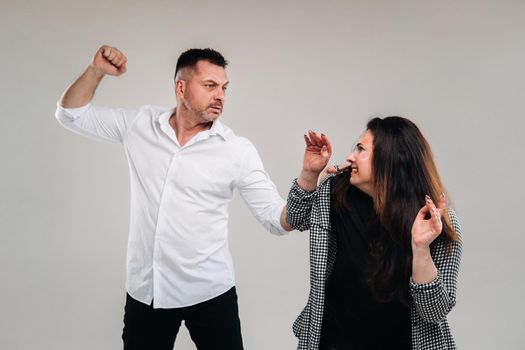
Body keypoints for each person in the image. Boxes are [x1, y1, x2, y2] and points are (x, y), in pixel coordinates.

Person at [55, 45, 293, 350]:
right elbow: (69, 115)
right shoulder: (140, 125)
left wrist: (309, 179)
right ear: (181, 87)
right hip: (147, 291)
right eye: (210, 86)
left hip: (210, 293)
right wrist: (96, 71)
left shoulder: (237, 150)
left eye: (224, 87)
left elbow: (277, 220)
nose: (220, 96)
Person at [285, 117, 462, 350]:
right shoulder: (336, 194)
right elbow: (294, 219)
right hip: (334, 341)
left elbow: (434, 312)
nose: (350, 157)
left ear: (389, 159)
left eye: (361, 149)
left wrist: (421, 249)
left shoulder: (434, 221)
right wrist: (310, 172)